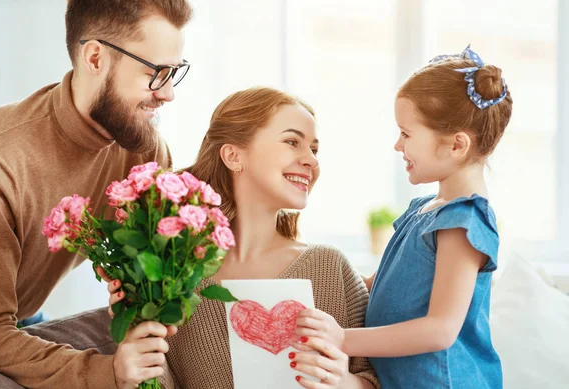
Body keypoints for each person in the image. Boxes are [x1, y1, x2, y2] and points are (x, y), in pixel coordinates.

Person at [0, 1, 193, 388]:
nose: (169, 93)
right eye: (156, 73)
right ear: (95, 58)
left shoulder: (143, 148)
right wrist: (107, 373)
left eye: (175, 73)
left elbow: (151, 272)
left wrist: (139, 289)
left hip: (21, 320)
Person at [108, 87, 381, 389]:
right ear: (233, 155)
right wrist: (129, 365)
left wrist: (342, 382)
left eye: (314, 150)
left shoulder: (331, 268)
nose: (312, 161)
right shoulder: (172, 277)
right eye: (293, 142)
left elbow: (375, 380)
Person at [296, 45, 512, 388]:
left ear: (456, 145)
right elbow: (384, 286)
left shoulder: (463, 221)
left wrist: (343, 339)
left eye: (407, 134)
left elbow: (440, 330)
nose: (398, 145)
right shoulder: (423, 210)